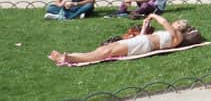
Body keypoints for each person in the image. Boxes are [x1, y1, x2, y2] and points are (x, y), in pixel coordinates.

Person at [48, 14, 197, 65]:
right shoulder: (171, 33)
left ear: (180, 26)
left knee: (107, 51)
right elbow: (143, 37)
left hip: (143, 45)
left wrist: (153, 15)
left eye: (176, 23)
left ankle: (69, 58)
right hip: (142, 41)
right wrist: (145, 27)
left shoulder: (177, 36)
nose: (173, 23)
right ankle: (68, 57)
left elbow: (164, 22)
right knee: (103, 49)